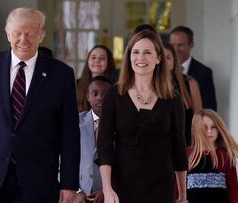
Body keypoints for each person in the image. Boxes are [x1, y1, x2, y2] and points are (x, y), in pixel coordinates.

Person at [0, 7, 80, 203]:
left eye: (30, 33)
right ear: (7, 34)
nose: (23, 39)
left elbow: (70, 134)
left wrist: (69, 183)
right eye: (17, 33)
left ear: (42, 35)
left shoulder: (61, 75)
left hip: (38, 182)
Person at [97, 30, 188, 203]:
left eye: (148, 52)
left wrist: (183, 195)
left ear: (158, 58)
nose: (141, 58)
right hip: (122, 186)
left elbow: (178, 148)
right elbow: (104, 146)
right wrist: (107, 189)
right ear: (129, 57)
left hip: (161, 186)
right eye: (136, 52)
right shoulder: (114, 95)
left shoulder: (173, 99)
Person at [187, 109, 238, 203]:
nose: (209, 131)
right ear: (197, 129)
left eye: (213, 127)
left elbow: (233, 190)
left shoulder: (225, 156)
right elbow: (177, 189)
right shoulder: (187, 155)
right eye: (205, 127)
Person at [75, 76, 112, 203]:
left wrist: (106, 191)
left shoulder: (121, 126)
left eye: (105, 94)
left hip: (109, 196)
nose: (100, 98)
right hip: (80, 196)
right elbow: (62, 160)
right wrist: (76, 192)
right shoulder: (75, 123)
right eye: (94, 94)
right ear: (87, 96)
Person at [163, 41, 202, 146]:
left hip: (187, 146)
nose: (164, 62)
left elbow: (199, 119)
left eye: (168, 57)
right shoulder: (148, 86)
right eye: (161, 57)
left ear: (174, 60)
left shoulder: (189, 83)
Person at [170, 25, 217, 111]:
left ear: (191, 45)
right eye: (172, 45)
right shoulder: (163, 70)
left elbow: (210, 108)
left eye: (180, 45)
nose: (175, 49)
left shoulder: (204, 72)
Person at [77, 45, 117, 112]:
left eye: (102, 58)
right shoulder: (76, 85)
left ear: (108, 62)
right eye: (93, 57)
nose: (97, 61)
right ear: (88, 61)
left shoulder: (116, 87)